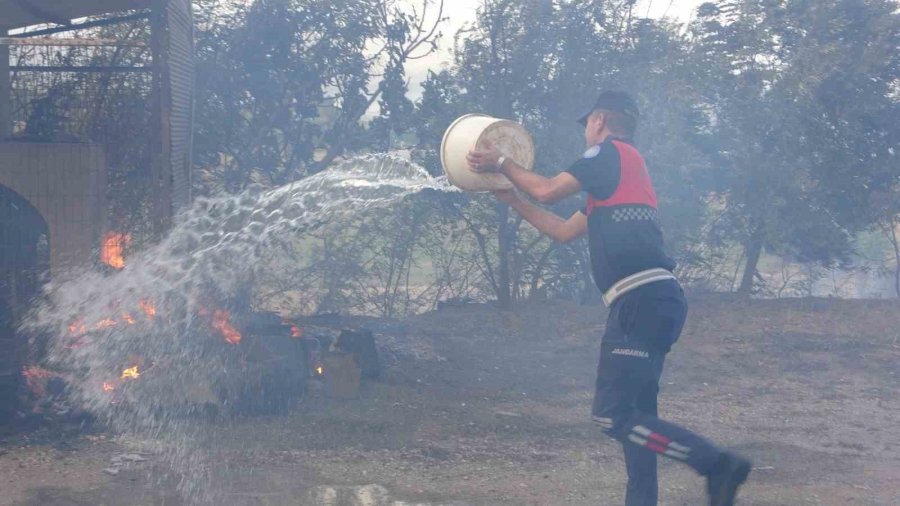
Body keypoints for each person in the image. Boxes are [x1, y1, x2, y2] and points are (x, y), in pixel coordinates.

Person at [466, 91, 752, 506]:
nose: (586, 132)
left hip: (641, 301)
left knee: (613, 415)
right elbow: (563, 230)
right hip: (654, 300)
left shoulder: (608, 152)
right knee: (639, 421)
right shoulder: (619, 179)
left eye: (587, 124)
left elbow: (547, 191)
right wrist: (513, 200)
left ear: (599, 120)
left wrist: (502, 163)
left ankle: (715, 464)